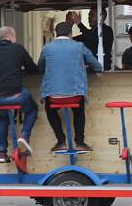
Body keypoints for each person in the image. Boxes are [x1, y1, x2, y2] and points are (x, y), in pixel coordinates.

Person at [38, 21, 103, 152]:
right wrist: (86, 66)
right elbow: (97, 66)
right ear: (71, 34)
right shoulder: (79, 46)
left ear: (56, 33)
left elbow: (39, 68)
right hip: (75, 94)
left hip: (53, 96)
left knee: (50, 109)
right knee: (79, 110)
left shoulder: (47, 48)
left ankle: (61, 141)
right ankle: (80, 142)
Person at [0, 26, 39, 162]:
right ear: (11, 36)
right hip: (15, 95)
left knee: (2, 117)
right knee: (32, 109)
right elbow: (32, 69)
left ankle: (1, 152)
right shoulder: (17, 48)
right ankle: (24, 136)